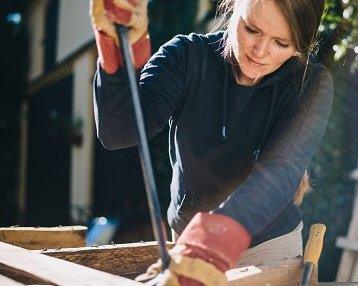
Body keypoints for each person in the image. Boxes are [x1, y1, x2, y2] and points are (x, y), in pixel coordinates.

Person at [90, 0, 333, 284]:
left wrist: (212, 241)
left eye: (281, 43)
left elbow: (278, 175)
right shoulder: (185, 56)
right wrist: (115, 59)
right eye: (252, 29)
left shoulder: (310, 83)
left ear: (301, 46)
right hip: (189, 243)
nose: (261, 51)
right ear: (233, 9)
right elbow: (120, 131)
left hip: (269, 249)